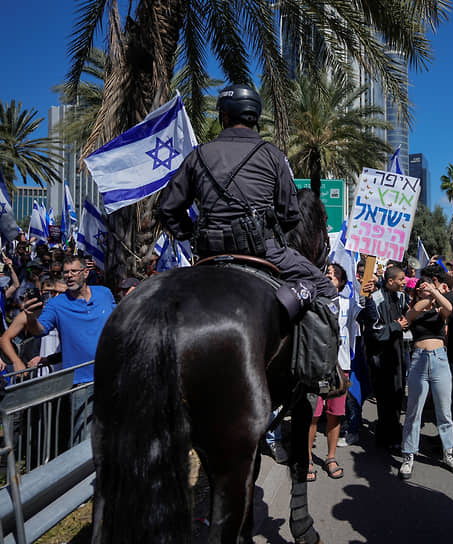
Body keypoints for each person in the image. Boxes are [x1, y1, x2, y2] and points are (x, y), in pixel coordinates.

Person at [158, 83, 338, 387]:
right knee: (324, 288)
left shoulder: (198, 155)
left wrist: (190, 235)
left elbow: (168, 208)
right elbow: (291, 214)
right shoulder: (272, 155)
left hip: (208, 254)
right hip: (264, 252)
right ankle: (322, 374)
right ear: (255, 116)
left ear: (224, 116)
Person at [21, 255, 116, 444]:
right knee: (83, 440)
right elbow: (40, 330)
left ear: (86, 273)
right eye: (66, 273)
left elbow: (118, 322)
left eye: (74, 271)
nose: (69, 276)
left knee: (114, 433)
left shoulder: (104, 293)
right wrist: (30, 318)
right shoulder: (57, 304)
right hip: (81, 383)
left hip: (111, 377)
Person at [399, 264, 453, 479]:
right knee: (414, 411)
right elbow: (412, 314)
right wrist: (427, 294)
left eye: (426, 287)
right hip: (419, 360)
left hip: (439, 360)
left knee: (444, 412)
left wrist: (435, 291)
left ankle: (449, 453)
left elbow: (450, 308)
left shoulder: (439, 311)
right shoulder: (414, 309)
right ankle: (409, 454)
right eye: (420, 288)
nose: (424, 289)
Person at [306, 263, 354, 481]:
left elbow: (365, 303)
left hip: (340, 368)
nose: (330, 276)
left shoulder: (349, 304)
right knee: (313, 415)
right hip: (316, 367)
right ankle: (306, 459)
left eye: (335, 275)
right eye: (327, 273)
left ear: (342, 283)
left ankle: (331, 456)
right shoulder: (311, 301)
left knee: (335, 415)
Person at [362, 265, 409, 450]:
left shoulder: (402, 297)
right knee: (384, 398)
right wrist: (396, 326)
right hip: (380, 358)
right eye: (401, 279)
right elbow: (375, 332)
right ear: (390, 281)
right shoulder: (374, 299)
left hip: (398, 354)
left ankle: (395, 435)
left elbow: (407, 319)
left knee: (397, 396)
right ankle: (384, 438)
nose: (405, 282)